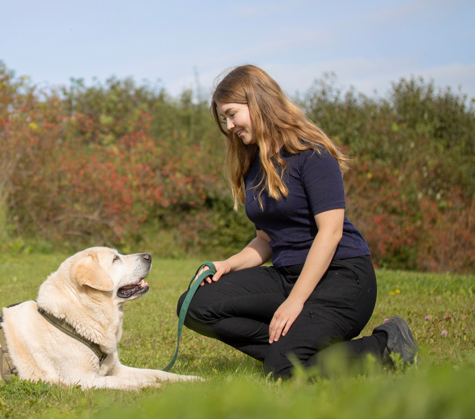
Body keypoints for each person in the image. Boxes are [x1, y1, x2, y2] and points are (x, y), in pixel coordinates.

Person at [176, 65, 418, 379]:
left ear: (258, 102)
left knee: (284, 369)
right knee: (194, 303)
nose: (230, 125)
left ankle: (388, 345)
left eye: (233, 114)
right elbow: (266, 240)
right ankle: (302, 352)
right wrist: (229, 264)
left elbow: (330, 233)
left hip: (341, 277)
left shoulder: (311, 154)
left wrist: (295, 302)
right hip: (288, 275)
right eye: (225, 119)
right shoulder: (255, 165)